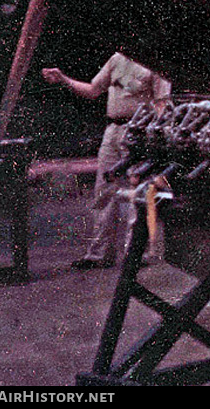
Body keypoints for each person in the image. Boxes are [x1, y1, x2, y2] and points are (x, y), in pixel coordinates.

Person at [42, 53, 171, 269]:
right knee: (104, 192)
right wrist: (63, 78)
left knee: (138, 194)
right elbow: (94, 90)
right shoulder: (117, 59)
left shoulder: (155, 62)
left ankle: (137, 253)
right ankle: (99, 253)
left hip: (139, 130)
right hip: (112, 131)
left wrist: (156, 137)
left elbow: (162, 104)